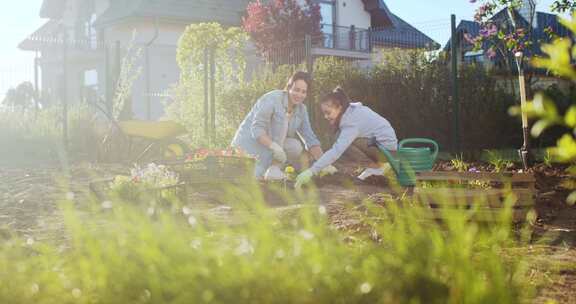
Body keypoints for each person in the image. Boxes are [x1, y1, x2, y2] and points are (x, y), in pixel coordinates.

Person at [231, 71, 336, 180]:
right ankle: (265, 170)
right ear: (289, 87)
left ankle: (274, 169)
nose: (299, 95)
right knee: (247, 176)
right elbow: (257, 129)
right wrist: (274, 147)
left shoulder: (301, 110)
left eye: (303, 92)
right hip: (248, 146)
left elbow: (309, 138)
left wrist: (324, 163)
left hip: (270, 145)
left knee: (295, 146)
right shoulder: (272, 99)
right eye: (296, 90)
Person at [295, 87, 398, 188]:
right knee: (343, 140)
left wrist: (311, 171)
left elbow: (336, 151)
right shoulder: (350, 110)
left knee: (345, 144)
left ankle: (377, 168)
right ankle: (376, 167)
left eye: (328, 112)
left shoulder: (351, 122)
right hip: (384, 147)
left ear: (339, 107)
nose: (325, 117)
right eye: (324, 113)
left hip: (387, 152)